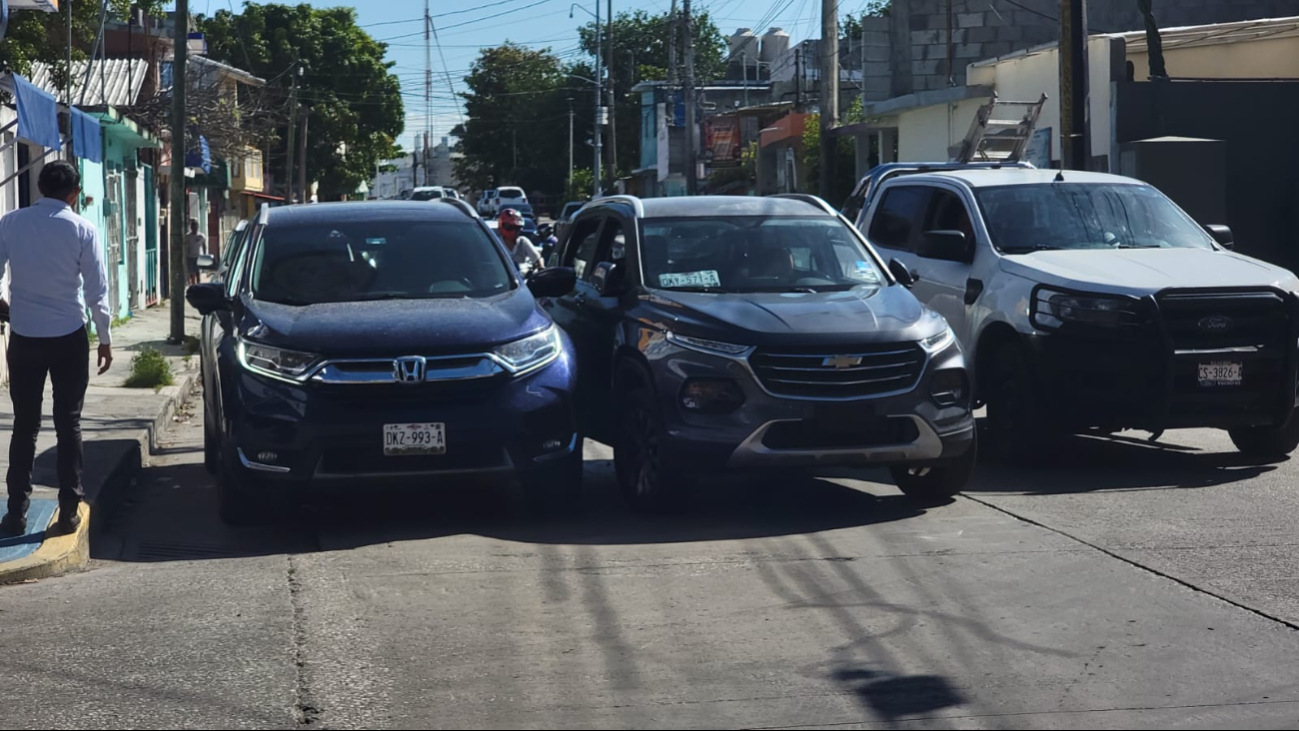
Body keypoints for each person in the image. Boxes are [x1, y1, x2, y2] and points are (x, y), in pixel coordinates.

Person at [0, 161, 113, 537]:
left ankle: (16, 512)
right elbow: (97, 290)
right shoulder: (82, 228)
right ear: (74, 193)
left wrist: (5, 307)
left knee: (25, 425)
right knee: (69, 423)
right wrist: (106, 337)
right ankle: (68, 510)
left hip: (25, 335)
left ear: (39, 187)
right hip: (68, 336)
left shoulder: (12, 222)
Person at [497, 208, 543, 273]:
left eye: (518, 228)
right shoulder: (496, 243)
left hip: (523, 279)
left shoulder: (523, 241)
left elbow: (537, 259)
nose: (516, 231)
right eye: (511, 227)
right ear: (504, 226)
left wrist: (541, 268)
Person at [185, 219, 207, 285]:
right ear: (191, 227)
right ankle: (193, 285)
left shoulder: (201, 236)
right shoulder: (188, 236)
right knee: (192, 273)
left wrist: (204, 255)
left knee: (198, 273)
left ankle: (198, 285)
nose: (194, 228)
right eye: (193, 226)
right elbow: (186, 246)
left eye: (196, 226)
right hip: (190, 257)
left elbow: (204, 246)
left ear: (198, 227)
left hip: (198, 257)